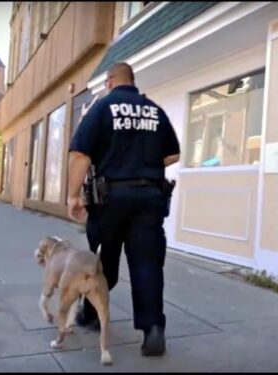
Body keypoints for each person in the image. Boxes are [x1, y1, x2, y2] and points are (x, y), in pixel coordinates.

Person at [66, 62, 181, 356]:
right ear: (133, 81)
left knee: (104, 261)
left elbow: (80, 154)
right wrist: (144, 164)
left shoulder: (103, 108)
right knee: (147, 264)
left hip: (111, 198)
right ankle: (153, 329)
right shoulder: (153, 110)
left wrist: (73, 195)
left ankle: (90, 314)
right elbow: (173, 154)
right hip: (149, 197)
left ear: (110, 81)